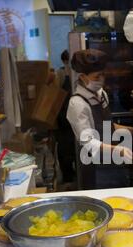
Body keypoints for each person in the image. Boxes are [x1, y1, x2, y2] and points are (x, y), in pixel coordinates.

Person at [66, 49, 133, 189]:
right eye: (97, 77)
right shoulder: (78, 104)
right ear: (83, 77)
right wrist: (119, 150)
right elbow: (88, 142)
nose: (101, 80)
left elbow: (106, 126)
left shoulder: (101, 94)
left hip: (112, 161)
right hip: (94, 165)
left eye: (103, 75)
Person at [55, 50, 75, 185]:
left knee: (73, 148)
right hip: (64, 118)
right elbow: (56, 95)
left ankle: (73, 176)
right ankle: (69, 177)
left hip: (70, 116)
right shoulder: (60, 74)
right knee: (66, 149)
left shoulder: (76, 73)